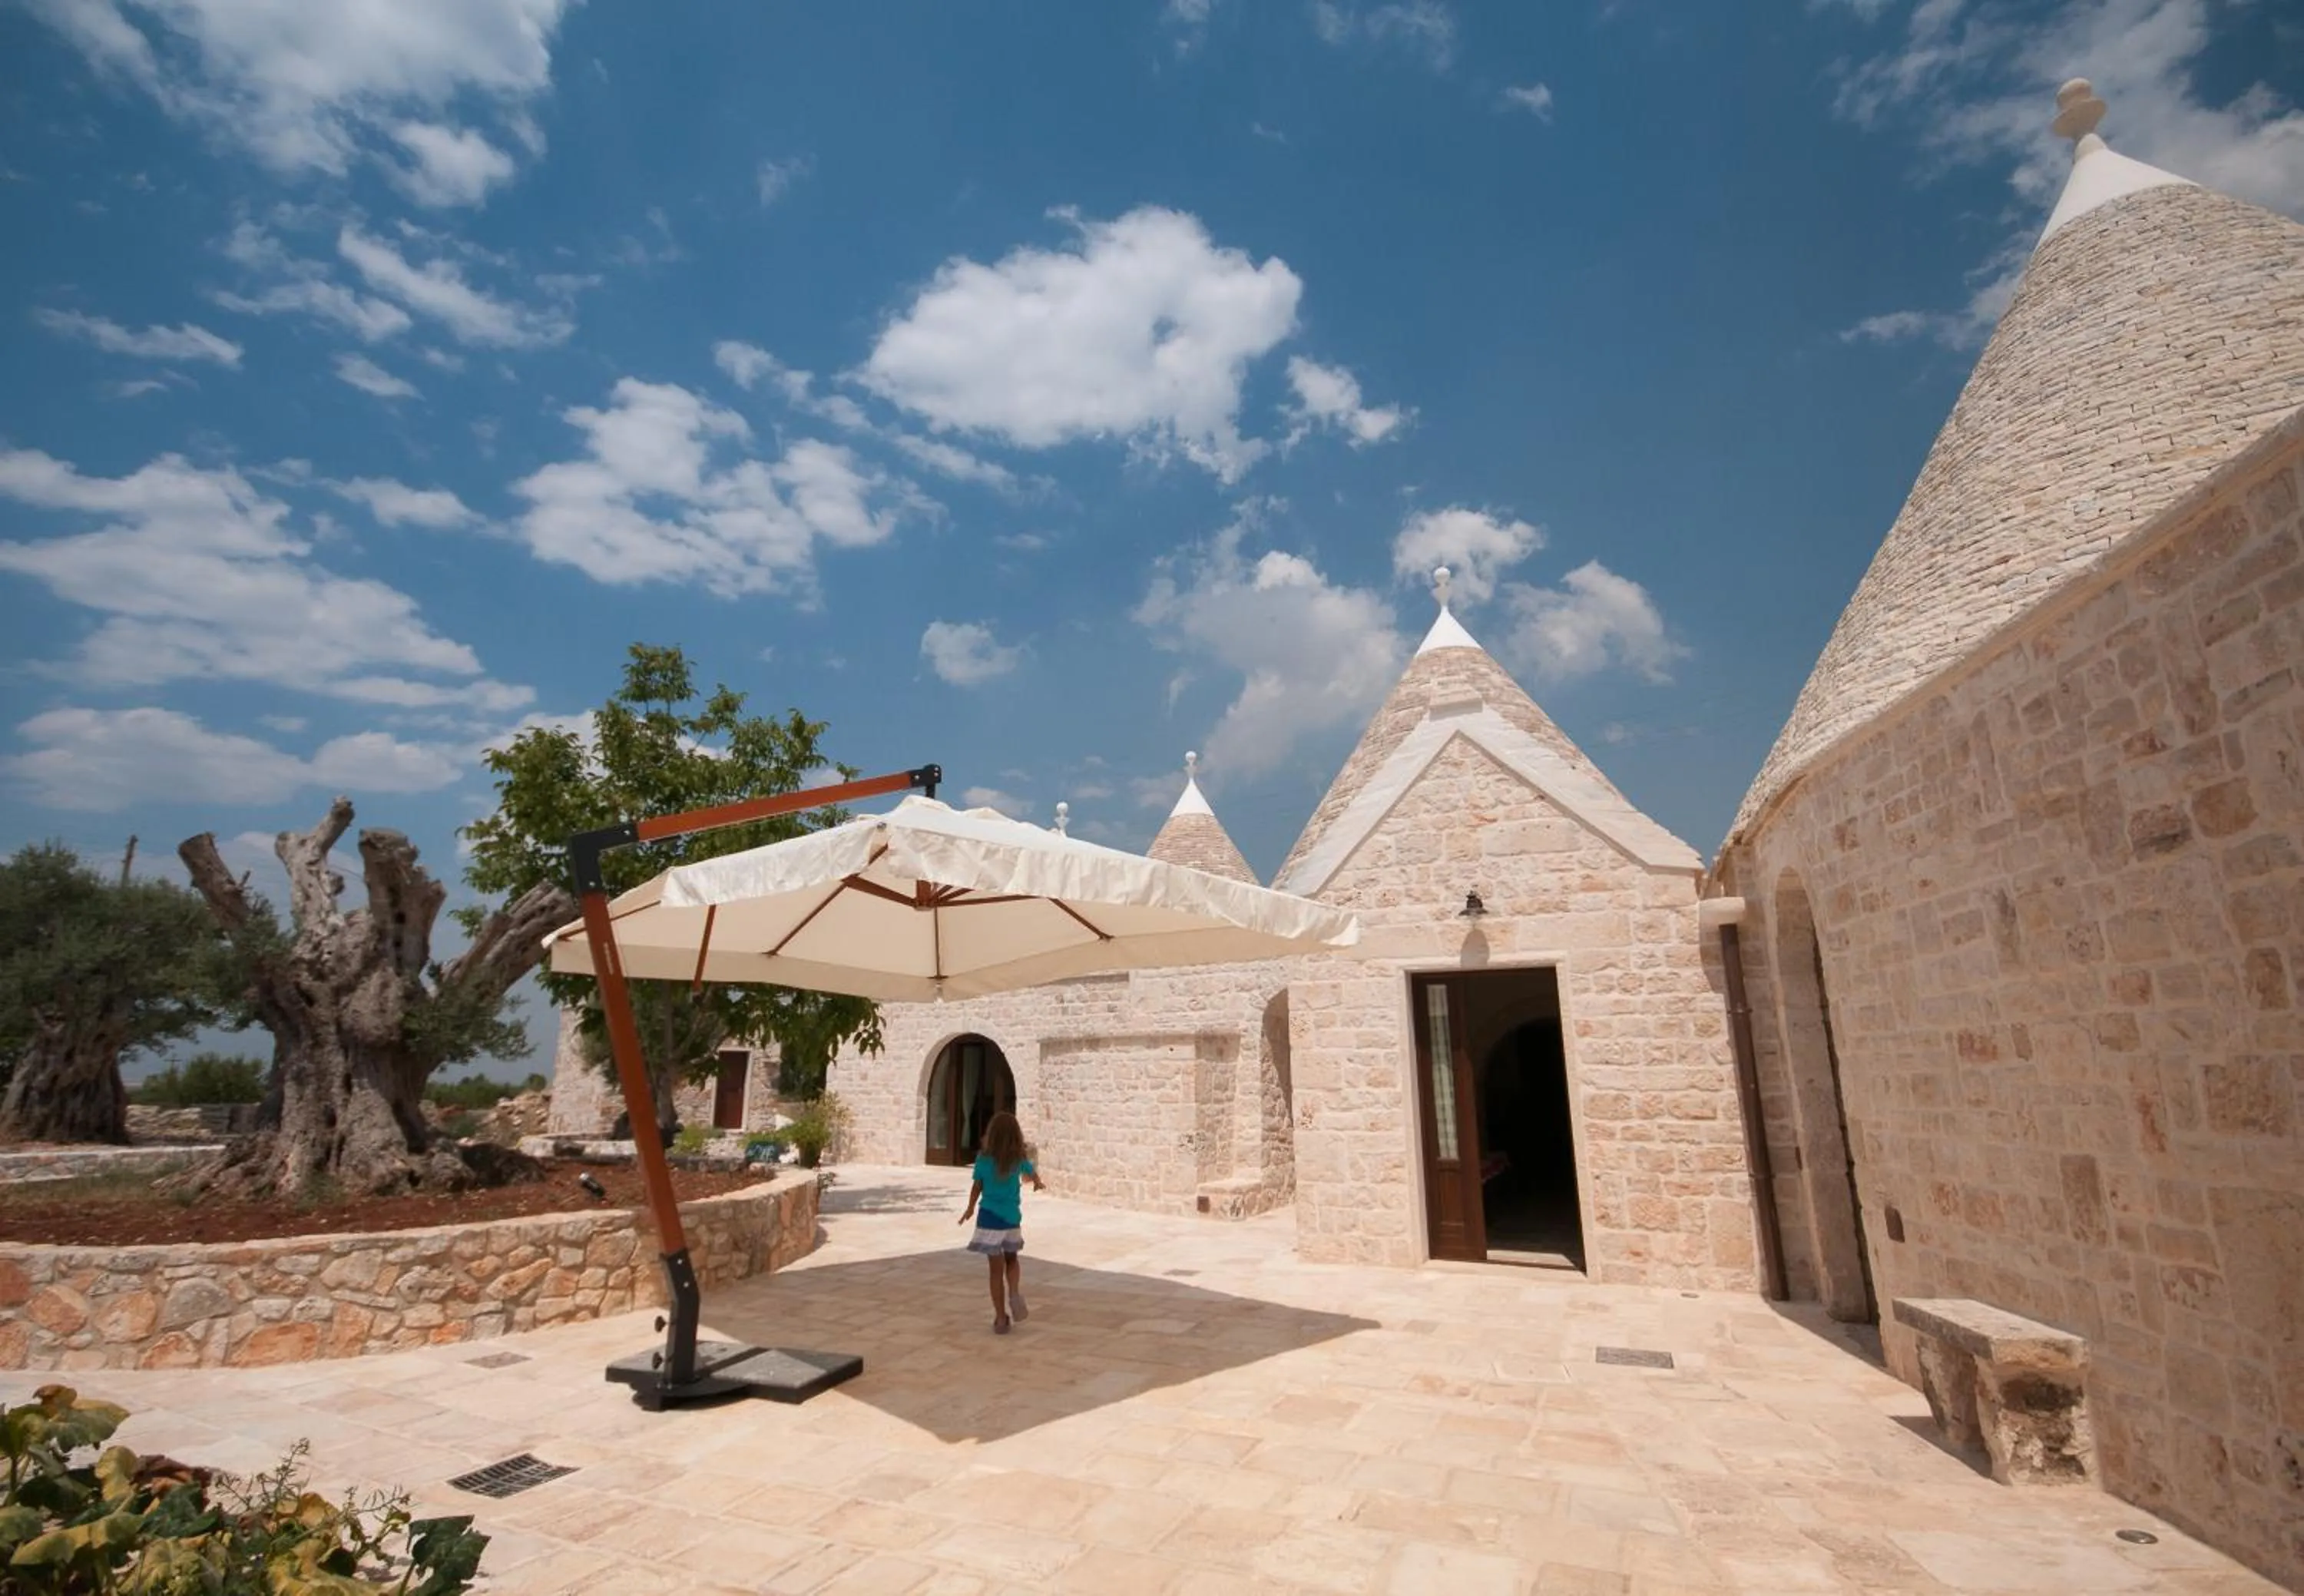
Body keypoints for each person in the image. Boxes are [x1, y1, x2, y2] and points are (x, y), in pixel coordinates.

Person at [958, 1111, 1043, 1334]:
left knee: (995, 1271)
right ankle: (1013, 1290)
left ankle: (1000, 1319)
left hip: (989, 1220)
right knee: (1012, 1260)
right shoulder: (1018, 1160)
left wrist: (969, 1209)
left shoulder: (983, 1160)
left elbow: (977, 1186)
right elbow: (1032, 1173)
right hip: (1011, 1220)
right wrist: (1037, 1182)